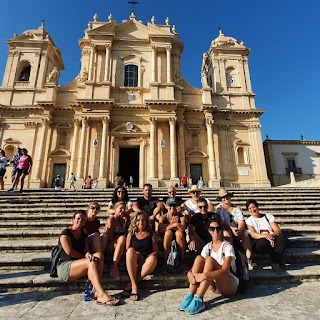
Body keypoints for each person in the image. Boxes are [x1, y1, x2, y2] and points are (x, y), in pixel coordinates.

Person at [56, 210, 119, 306]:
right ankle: (101, 294)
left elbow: (85, 250)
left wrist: (88, 255)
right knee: (90, 262)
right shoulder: (66, 233)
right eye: (78, 218)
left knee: (99, 256)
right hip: (65, 266)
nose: (80, 221)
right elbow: (69, 252)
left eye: (83, 219)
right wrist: (85, 258)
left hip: (78, 264)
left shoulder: (83, 234)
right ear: (73, 219)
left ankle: (96, 290)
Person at [178, 216, 238, 315]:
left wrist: (205, 276)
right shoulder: (208, 247)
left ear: (221, 230)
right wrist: (190, 273)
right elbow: (198, 264)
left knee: (209, 260)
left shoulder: (227, 246)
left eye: (218, 228)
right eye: (212, 229)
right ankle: (191, 295)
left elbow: (225, 270)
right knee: (199, 258)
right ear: (209, 231)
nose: (215, 231)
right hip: (213, 284)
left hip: (228, 284)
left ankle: (199, 298)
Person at [120, 211, 158, 301]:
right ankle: (134, 287)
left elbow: (155, 251)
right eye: (138, 220)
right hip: (134, 261)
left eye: (143, 220)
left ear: (147, 221)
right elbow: (127, 250)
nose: (141, 222)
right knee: (130, 251)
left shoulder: (151, 234)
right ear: (134, 222)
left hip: (146, 262)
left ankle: (131, 285)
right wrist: (137, 255)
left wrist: (145, 258)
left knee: (153, 258)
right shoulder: (131, 234)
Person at [245, 199, 287, 273]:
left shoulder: (267, 216)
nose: (252, 210)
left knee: (282, 237)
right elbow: (253, 234)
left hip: (272, 238)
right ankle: (277, 259)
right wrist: (266, 237)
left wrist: (271, 236)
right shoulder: (249, 220)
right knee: (263, 243)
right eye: (250, 208)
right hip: (261, 241)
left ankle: (275, 261)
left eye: (254, 207)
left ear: (257, 207)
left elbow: (277, 230)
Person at [215, 188, 253, 270]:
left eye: (226, 196)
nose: (225, 199)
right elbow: (221, 222)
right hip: (226, 229)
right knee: (227, 234)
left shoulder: (237, 208)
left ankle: (249, 259)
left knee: (245, 234)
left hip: (236, 229)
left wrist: (239, 229)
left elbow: (241, 221)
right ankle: (232, 258)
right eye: (223, 198)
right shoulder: (219, 208)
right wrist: (231, 228)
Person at [104, 201, 130, 280]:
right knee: (122, 239)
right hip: (111, 245)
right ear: (115, 209)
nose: (123, 211)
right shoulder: (111, 220)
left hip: (120, 244)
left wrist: (128, 218)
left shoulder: (121, 220)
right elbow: (111, 238)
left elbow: (126, 231)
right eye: (120, 209)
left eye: (124, 209)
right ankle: (114, 266)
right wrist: (120, 237)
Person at [159, 199, 187, 269]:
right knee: (168, 233)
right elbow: (160, 229)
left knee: (179, 233)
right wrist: (175, 225)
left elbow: (182, 228)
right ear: (167, 207)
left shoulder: (181, 217)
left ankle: (182, 260)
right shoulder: (163, 217)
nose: (172, 207)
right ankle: (165, 260)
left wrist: (167, 227)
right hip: (166, 237)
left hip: (179, 237)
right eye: (170, 206)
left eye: (174, 205)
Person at [83, 202, 105, 280]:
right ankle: (100, 255)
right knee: (96, 235)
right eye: (93, 208)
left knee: (104, 236)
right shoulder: (83, 219)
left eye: (97, 208)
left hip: (93, 242)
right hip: (84, 242)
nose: (95, 210)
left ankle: (99, 278)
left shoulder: (97, 222)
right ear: (88, 209)